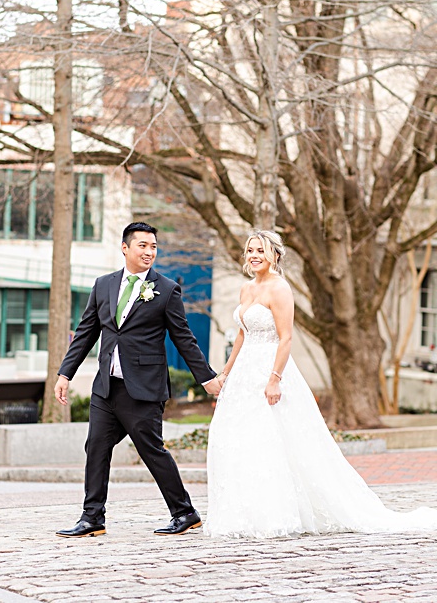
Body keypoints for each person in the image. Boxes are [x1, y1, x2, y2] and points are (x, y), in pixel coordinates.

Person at [204, 230, 437, 537]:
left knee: (270, 440)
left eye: (260, 249)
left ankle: (275, 516)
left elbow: (285, 337)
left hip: (270, 370)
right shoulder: (246, 289)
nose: (254, 255)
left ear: (274, 254)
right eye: (250, 250)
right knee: (240, 439)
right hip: (244, 374)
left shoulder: (280, 289)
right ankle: (244, 513)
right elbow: (243, 335)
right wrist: (225, 373)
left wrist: (275, 379)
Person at [53, 221, 223, 537]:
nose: (149, 252)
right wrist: (65, 373)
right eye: (142, 245)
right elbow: (87, 332)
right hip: (106, 387)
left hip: (144, 388)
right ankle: (92, 518)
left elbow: (183, 337)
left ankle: (185, 512)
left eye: (153, 246)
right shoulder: (103, 285)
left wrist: (206, 378)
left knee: (151, 449)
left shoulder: (167, 289)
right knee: (96, 447)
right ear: (125, 248)